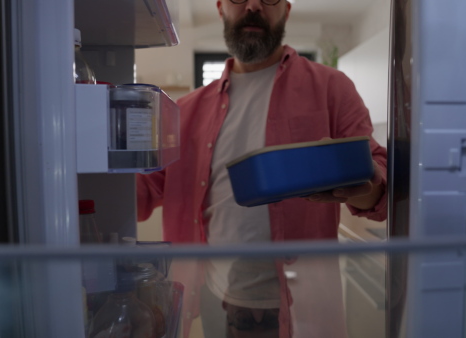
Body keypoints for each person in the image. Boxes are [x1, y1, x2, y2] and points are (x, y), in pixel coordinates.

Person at [136, 0, 387, 336]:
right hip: (211, 292)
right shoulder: (185, 111)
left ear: (286, 9)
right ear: (221, 7)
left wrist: (363, 187)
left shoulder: (332, 87)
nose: (253, 6)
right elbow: (139, 192)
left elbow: (377, 180)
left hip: (304, 304)